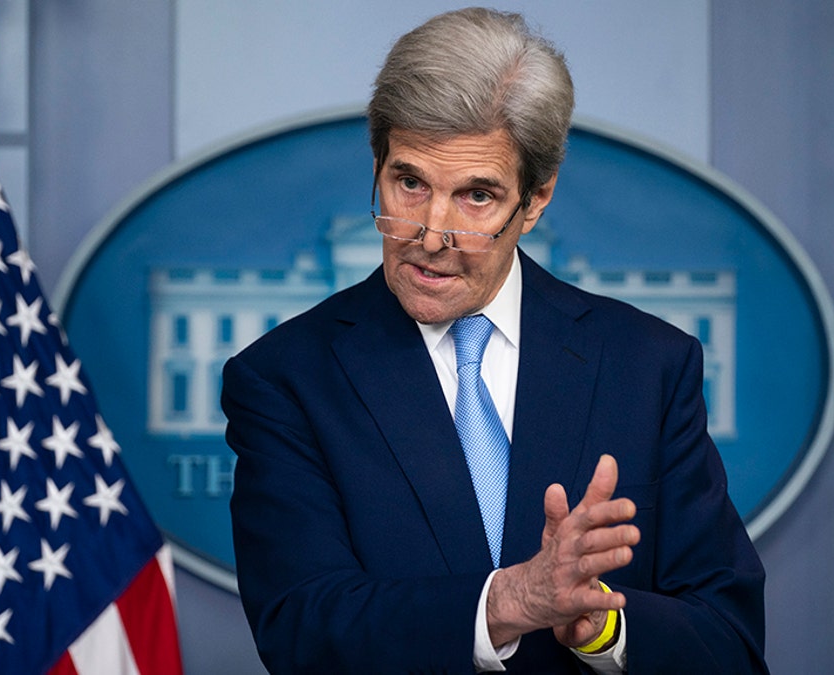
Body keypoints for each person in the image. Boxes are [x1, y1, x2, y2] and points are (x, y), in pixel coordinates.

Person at [223, 8, 768, 673]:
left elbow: (730, 643)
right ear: (377, 166)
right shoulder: (286, 377)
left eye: (476, 196)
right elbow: (303, 629)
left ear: (536, 200)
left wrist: (604, 630)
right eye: (410, 183)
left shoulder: (648, 365)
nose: (429, 234)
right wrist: (510, 600)